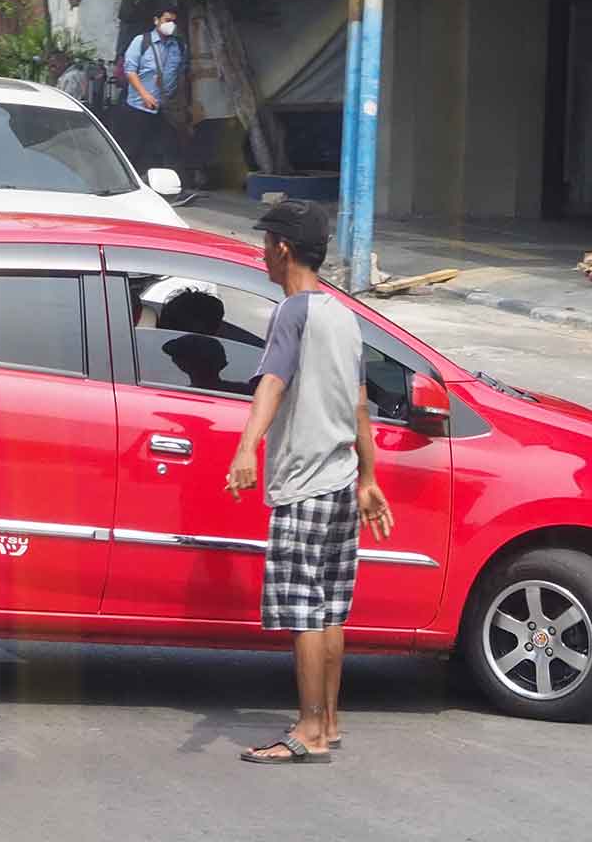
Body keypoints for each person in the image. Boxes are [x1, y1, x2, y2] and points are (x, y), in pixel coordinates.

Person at [227, 200, 394, 765]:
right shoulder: (346, 316)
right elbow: (360, 406)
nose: (261, 254)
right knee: (329, 612)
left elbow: (271, 383)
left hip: (303, 486)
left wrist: (247, 446)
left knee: (303, 612)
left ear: (282, 248)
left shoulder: (293, 312)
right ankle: (331, 721)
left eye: (264, 242)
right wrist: (369, 477)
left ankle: (307, 730)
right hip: (343, 482)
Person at [116, 6, 185, 176]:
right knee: (133, 149)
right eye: (167, 20)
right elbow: (130, 70)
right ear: (157, 21)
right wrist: (145, 95)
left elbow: (182, 73)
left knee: (169, 149)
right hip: (138, 107)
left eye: (174, 21)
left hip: (165, 109)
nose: (171, 24)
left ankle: (172, 188)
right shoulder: (141, 41)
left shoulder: (178, 46)